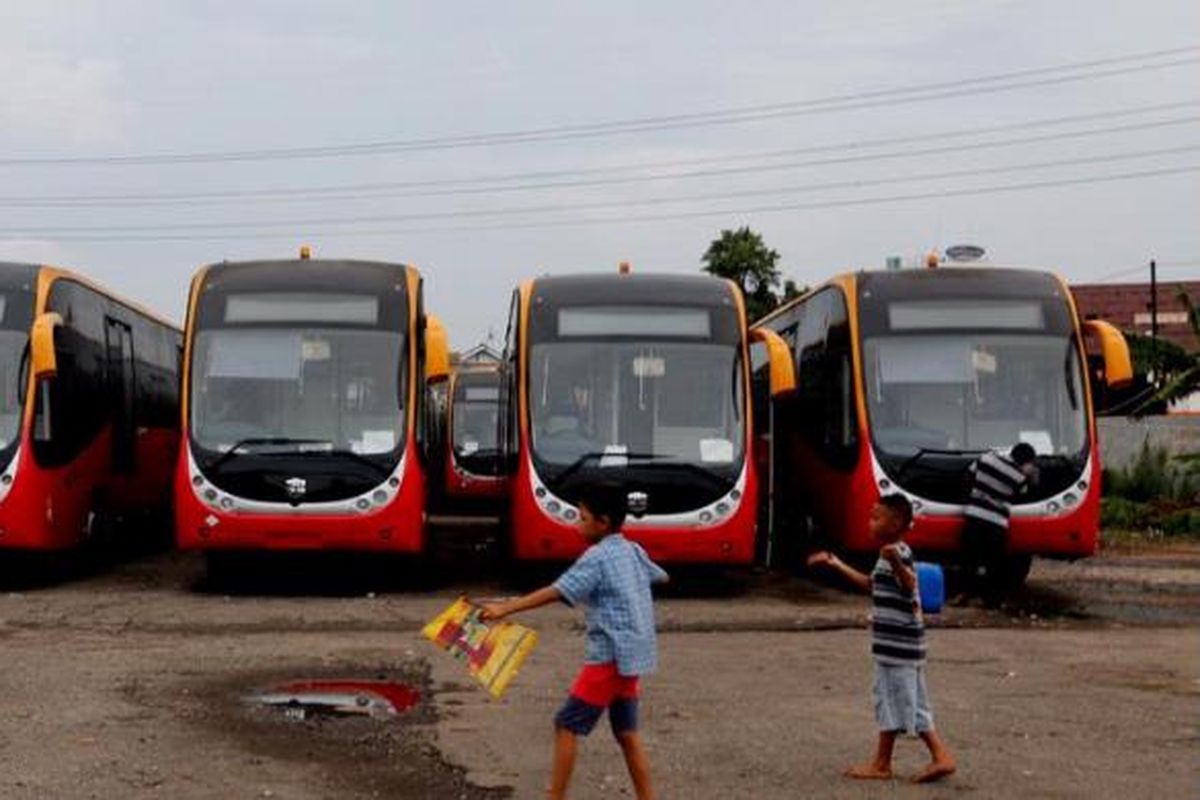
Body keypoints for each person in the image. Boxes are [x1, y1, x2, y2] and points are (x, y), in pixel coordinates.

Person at [480, 483, 668, 800]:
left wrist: (505, 608)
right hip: (633, 655)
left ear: (603, 522)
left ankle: (555, 797)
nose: (576, 525)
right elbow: (661, 575)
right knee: (626, 733)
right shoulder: (632, 550)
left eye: (582, 519)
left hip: (609, 657)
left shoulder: (597, 557)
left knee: (566, 724)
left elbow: (557, 590)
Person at [807, 494, 956, 784]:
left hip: (897, 647)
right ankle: (926, 758)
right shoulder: (888, 554)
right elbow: (871, 584)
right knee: (908, 701)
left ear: (896, 523)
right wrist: (836, 563)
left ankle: (889, 763)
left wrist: (897, 563)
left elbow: (910, 582)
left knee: (891, 699)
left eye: (876, 517)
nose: (870, 522)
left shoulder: (898, 553)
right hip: (902, 646)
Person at [958, 442, 1038, 605]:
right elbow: (1022, 496)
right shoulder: (1019, 477)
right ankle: (991, 600)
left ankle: (965, 594)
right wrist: (1030, 477)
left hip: (974, 515)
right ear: (1026, 461)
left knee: (969, 559)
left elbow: (968, 476)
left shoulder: (987, 458)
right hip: (996, 523)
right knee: (993, 563)